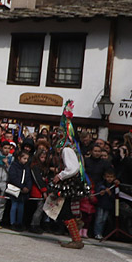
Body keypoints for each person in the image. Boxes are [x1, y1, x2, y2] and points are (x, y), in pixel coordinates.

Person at [50, 102, 89, 249]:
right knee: (65, 210)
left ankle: (76, 238)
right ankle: (76, 235)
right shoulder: (71, 148)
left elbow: (72, 168)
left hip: (68, 184)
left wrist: (59, 176)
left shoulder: (67, 149)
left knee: (64, 211)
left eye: (58, 135)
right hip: (70, 184)